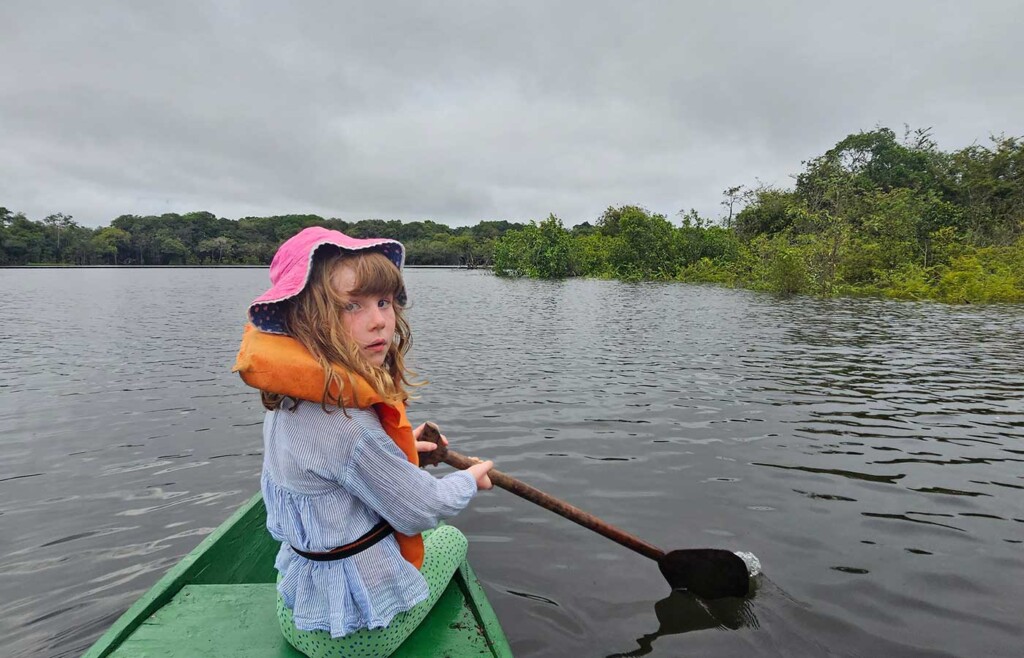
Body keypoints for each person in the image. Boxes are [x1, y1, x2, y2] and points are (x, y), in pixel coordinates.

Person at [233, 226, 494, 658]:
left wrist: (404, 444)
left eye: (383, 302)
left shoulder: (287, 404)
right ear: (304, 319)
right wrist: (469, 479)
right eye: (351, 305)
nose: (379, 321)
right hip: (354, 639)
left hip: (296, 612)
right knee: (449, 539)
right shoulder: (352, 428)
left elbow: (331, 464)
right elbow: (421, 509)